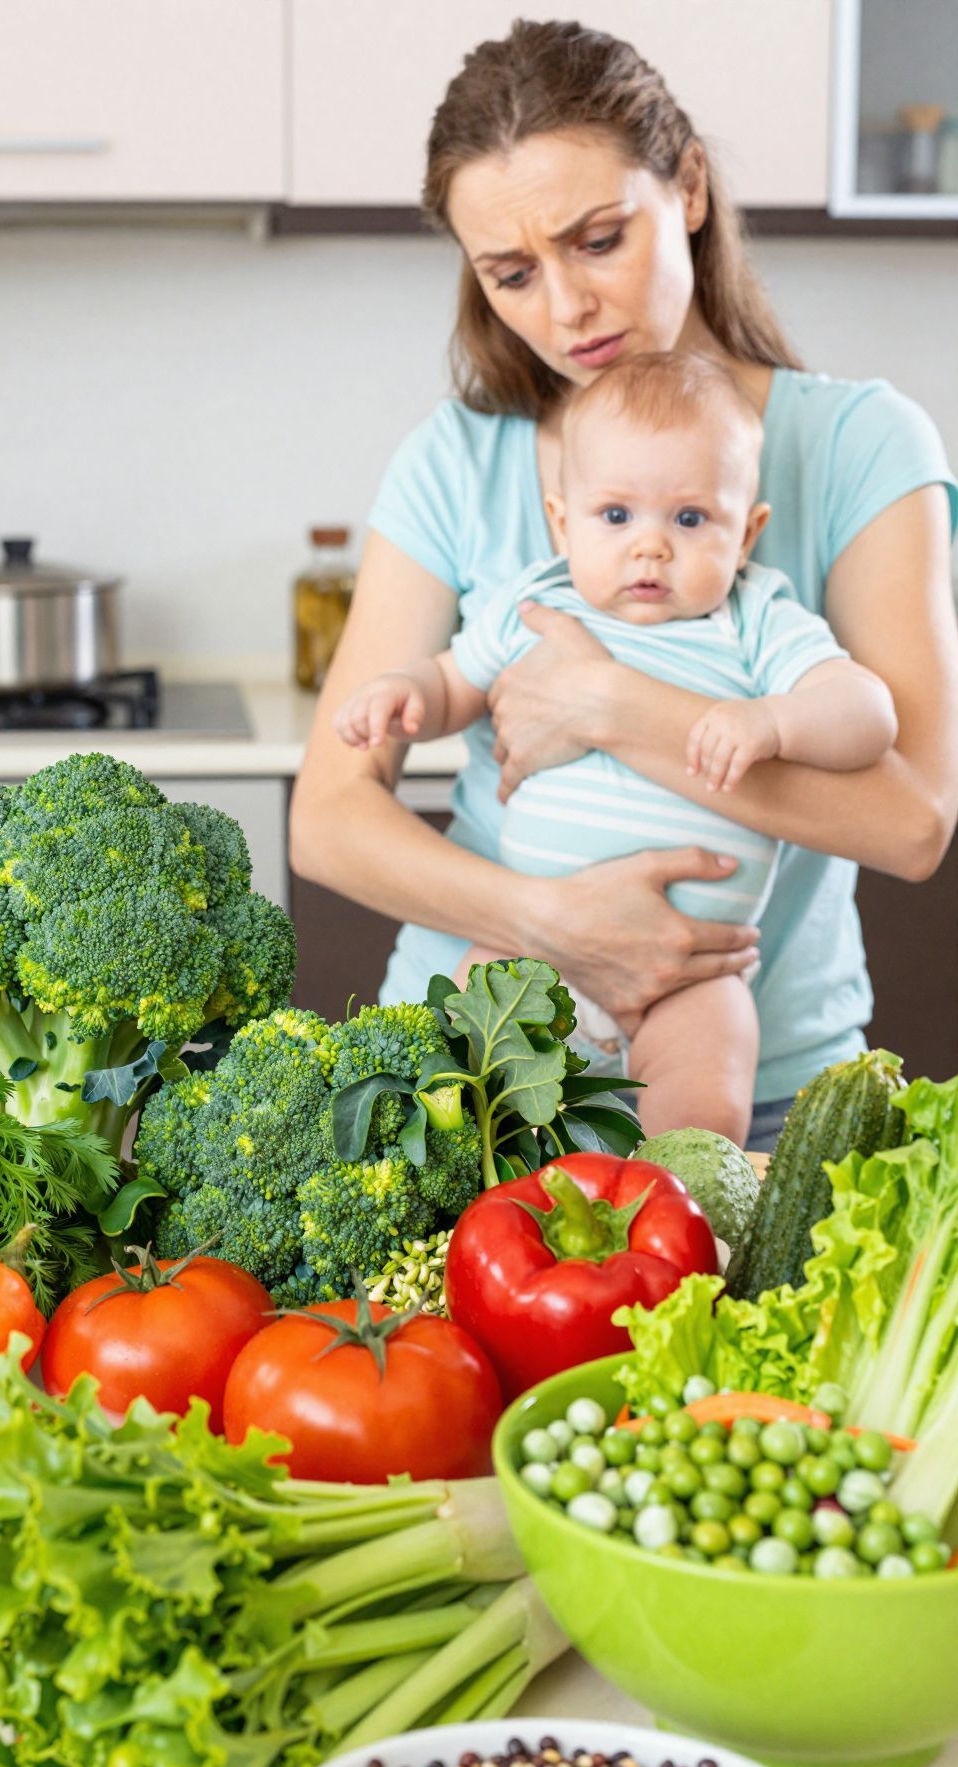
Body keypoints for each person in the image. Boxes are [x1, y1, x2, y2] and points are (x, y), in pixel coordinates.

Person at [289, 17, 958, 1153]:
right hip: (477, 1060)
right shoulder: (459, 457)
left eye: (597, 239)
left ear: (687, 186)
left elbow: (912, 820)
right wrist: (553, 924)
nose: (565, 308)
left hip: (759, 1083)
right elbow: (330, 816)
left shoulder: (858, 444)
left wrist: (609, 708)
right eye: (511, 273)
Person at [333, 353, 898, 1143]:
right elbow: (453, 679)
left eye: (691, 519)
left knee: (702, 1120)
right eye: (617, 516)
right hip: (525, 952)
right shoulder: (537, 602)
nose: (651, 548)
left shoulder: (755, 620)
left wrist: (775, 722)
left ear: (747, 533)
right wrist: (407, 697)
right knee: (467, 1101)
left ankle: (674, 1226)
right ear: (565, 523)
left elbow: (868, 712)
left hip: (696, 977)